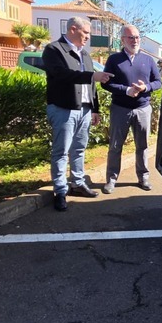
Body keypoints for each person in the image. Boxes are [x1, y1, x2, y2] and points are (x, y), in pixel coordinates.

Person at [43, 17, 114, 212]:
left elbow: (91, 86)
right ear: (73, 29)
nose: (88, 38)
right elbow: (61, 75)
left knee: (79, 149)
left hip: (84, 109)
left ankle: (77, 183)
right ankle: (60, 190)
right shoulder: (53, 50)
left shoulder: (86, 55)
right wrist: (92, 76)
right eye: (86, 33)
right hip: (63, 108)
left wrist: (95, 108)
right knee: (61, 151)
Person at [101, 24, 162, 193]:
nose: (135, 40)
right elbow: (106, 83)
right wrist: (126, 90)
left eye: (137, 37)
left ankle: (143, 177)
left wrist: (145, 88)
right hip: (120, 108)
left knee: (142, 145)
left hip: (143, 109)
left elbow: (158, 82)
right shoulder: (114, 60)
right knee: (115, 146)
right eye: (131, 37)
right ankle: (111, 179)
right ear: (123, 40)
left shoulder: (148, 60)